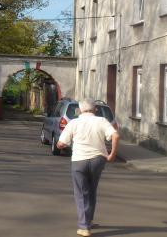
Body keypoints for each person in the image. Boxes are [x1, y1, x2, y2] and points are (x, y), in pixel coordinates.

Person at [56, 98, 119, 237]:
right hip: (98, 160)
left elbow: (61, 143)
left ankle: (84, 227)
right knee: (91, 190)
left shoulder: (74, 122)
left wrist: (61, 145)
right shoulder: (102, 121)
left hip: (79, 160)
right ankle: (88, 220)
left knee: (81, 193)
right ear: (95, 109)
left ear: (79, 110)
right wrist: (112, 154)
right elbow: (115, 135)